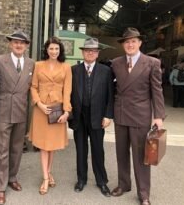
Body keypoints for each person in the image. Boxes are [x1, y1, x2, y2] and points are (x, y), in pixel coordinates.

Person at [111, 27, 165, 205]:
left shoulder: (152, 63)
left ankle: (143, 193)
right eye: (127, 41)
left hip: (140, 115)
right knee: (121, 153)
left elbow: (157, 91)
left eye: (133, 41)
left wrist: (158, 116)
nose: (130, 44)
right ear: (123, 45)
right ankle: (124, 184)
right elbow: (113, 90)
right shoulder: (116, 63)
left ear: (140, 43)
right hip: (120, 113)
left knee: (141, 156)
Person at [0, 31, 35, 205]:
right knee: (2, 150)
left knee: (17, 149)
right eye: (16, 42)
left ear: (27, 46)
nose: (19, 45)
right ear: (10, 44)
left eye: (22, 43)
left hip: (21, 110)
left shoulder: (32, 64)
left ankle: (12, 177)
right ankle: (0, 187)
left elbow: (32, 89)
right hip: (3, 109)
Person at [68, 38, 114, 197]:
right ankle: (81, 179)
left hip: (97, 116)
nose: (90, 53)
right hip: (79, 117)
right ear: (82, 52)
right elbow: (67, 93)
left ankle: (102, 181)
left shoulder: (106, 71)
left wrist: (108, 115)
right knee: (80, 149)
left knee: (97, 150)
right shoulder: (73, 70)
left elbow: (110, 95)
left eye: (93, 51)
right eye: (87, 50)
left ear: (98, 53)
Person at [28, 36, 72, 195]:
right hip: (41, 110)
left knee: (52, 146)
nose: (54, 51)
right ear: (46, 50)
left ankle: (49, 171)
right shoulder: (38, 65)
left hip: (57, 110)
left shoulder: (66, 67)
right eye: (51, 48)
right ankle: (46, 178)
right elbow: (33, 87)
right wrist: (39, 104)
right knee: (43, 146)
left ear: (60, 51)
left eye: (57, 49)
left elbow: (67, 90)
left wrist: (67, 111)